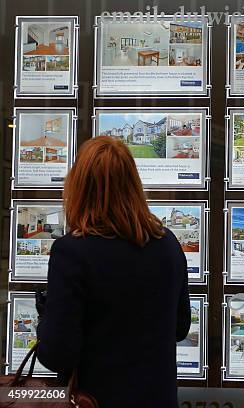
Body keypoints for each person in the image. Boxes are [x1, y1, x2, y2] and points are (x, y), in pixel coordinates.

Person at [36, 136, 191, 407]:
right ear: (134, 185)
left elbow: (57, 354)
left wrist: (46, 317)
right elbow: (180, 328)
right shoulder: (167, 244)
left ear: (79, 186)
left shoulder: (72, 252)